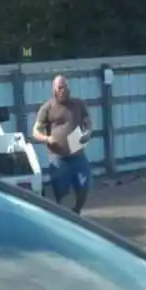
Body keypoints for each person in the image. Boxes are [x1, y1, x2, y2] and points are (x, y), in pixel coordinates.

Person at [32, 75, 95, 214]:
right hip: (58, 156)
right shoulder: (47, 107)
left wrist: (88, 132)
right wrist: (47, 139)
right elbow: (35, 131)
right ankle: (64, 215)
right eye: (60, 88)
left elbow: (88, 122)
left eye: (65, 87)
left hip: (77, 154)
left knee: (85, 184)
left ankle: (77, 210)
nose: (62, 91)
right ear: (54, 89)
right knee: (60, 190)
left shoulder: (78, 104)